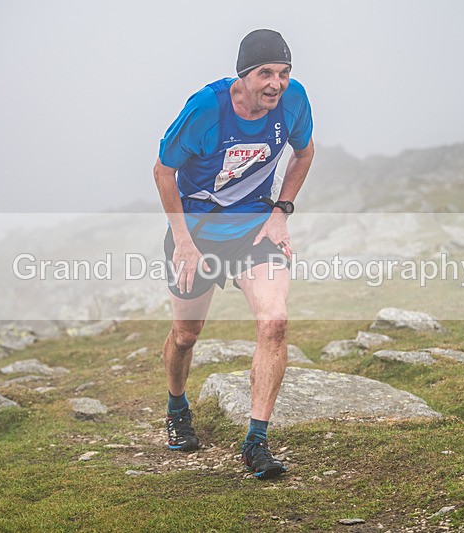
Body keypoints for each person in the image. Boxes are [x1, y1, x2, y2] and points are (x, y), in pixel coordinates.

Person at [153, 29, 314, 480]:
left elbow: (305, 154)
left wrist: (281, 212)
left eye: (284, 73)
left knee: (274, 323)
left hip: (256, 230)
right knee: (186, 335)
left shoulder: (294, 102)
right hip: (198, 232)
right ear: (243, 76)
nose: (276, 84)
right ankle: (177, 407)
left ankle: (256, 443)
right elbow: (164, 171)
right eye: (266, 73)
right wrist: (183, 241)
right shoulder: (207, 108)